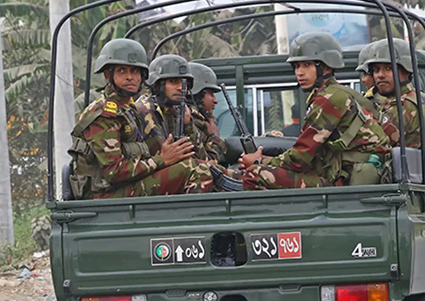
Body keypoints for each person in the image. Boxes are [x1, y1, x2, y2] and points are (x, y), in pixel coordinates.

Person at [238, 32, 391, 190]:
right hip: (342, 175)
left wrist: (259, 161)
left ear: (325, 67)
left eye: (307, 65)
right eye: (297, 66)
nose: (299, 72)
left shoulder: (329, 99)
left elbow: (300, 157)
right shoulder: (337, 93)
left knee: (254, 174)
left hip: (345, 182)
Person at [68, 39, 214, 199]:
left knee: (204, 167)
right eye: (122, 71)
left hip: (124, 187)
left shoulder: (127, 109)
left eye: (135, 72)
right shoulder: (104, 113)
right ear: (108, 75)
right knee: (194, 169)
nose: (130, 77)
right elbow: (113, 173)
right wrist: (161, 159)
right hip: (104, 196)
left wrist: (164, 157)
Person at [362, 38, 425, 154]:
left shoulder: (415, 104)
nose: (380, 75)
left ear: (406, 71)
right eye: (376, 70)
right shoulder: (368, 101)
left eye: (388, 68)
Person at [189, 62, 226, 163]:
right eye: (211, 93)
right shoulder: (190, 121)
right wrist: (215, 137)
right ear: (198, 94)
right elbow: (208, 164)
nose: (215, 100)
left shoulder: (196, 120)